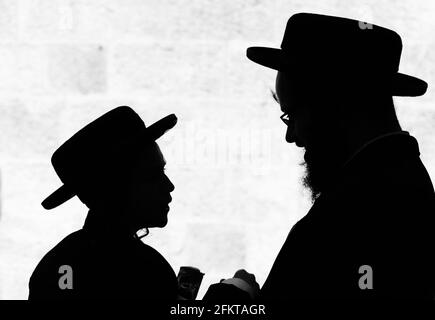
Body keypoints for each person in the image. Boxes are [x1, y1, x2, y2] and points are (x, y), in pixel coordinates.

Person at [205, 12, 435, 300]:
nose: (291, 136)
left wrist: (232, 298)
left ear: (335, 103)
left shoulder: (360, 206)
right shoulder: (398, 181)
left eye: (292, 114)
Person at [29, 106, 178, 300]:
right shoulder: (146, 269)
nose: (169, 186)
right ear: (115, 188)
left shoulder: (58, 264)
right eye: (152, 175)